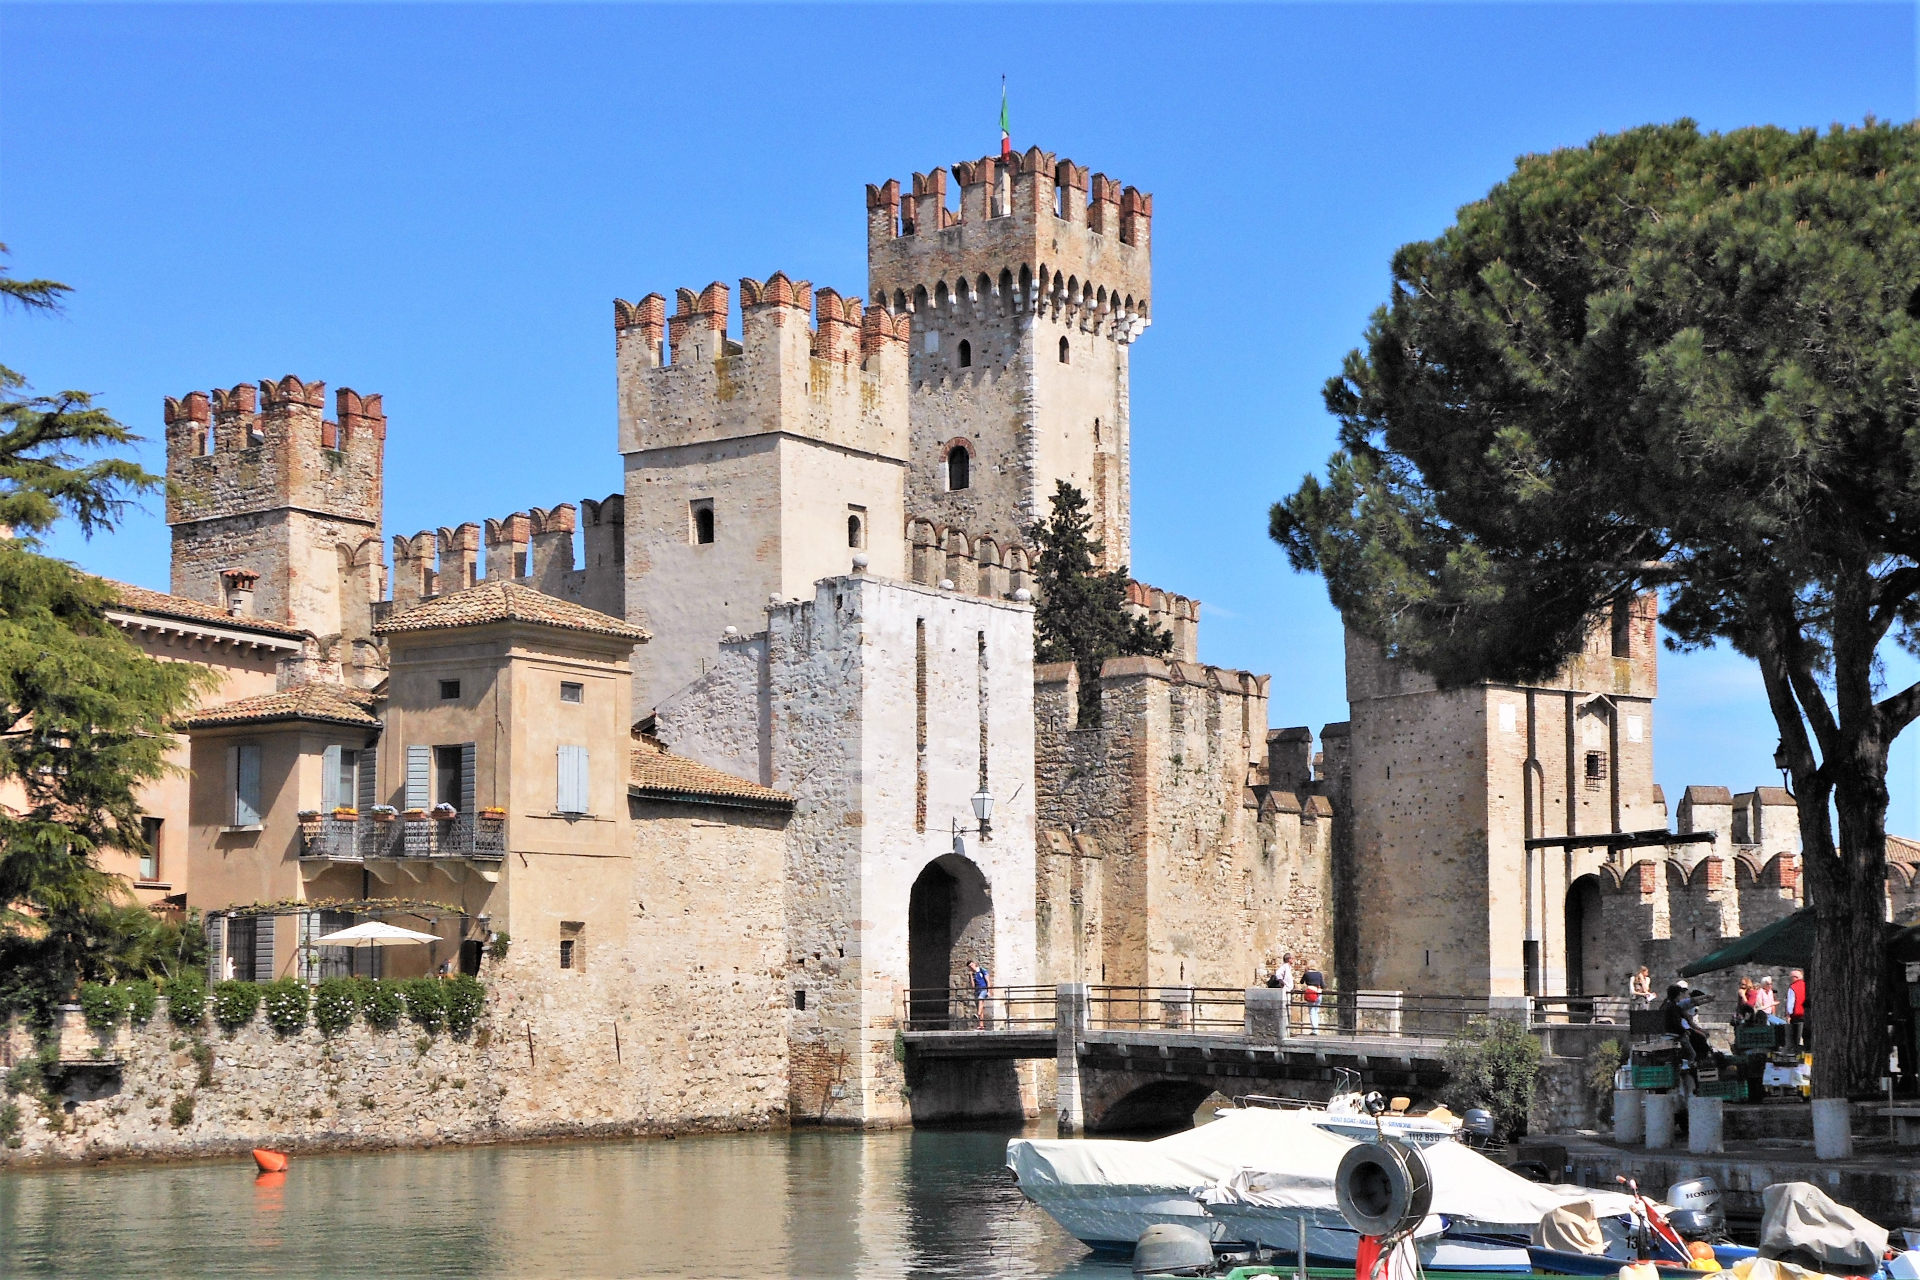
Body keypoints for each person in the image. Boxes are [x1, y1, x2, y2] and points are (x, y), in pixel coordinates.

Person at [1661, 982, 1711, 1064]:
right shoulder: (1675, 1006)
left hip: (1669, 1032)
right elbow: (1676, 1023)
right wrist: (1685, 1031)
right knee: (1692, 1054)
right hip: (1675, 1033)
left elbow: (1687, 1014)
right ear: (1677, 995)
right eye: (1680, 994)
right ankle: (1688, 1067)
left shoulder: (1667, 1004)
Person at [1300, 959, 1325, 1035]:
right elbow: (1323, 985)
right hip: (1318, 993)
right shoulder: (1319, 974)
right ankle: (1316, 1029)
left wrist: (1305, 973)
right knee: (1316, 1011)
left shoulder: (1307, 974)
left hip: (1311, 992)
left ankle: (1315, 1030)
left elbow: (1301, 982)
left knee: (1311, 1012)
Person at [1786, 969, 1808, 1049]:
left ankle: (1795, 1052)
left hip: (1796, 1016)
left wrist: (1789, 1015)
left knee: (1795, 1039)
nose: (1790, 980)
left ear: (1795, 977)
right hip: (1806, 1015)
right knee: (1806, 1036)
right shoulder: (1806, 985)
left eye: (1790, 978)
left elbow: (1790, 1004)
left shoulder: (1793, 987)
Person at [971, 957, 991, 1030]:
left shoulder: (983, 970)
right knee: (980, 1006)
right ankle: (981, 1025)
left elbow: (988, 981)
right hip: (977, 990)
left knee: (980, 999)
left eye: (972, 965)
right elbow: (973, 986)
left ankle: (977, 1014)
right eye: (970, 967)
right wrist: (971, 976)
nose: (971, 967)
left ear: (975, 964)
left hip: (984, 989)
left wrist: (989, 991)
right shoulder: (973, 974)